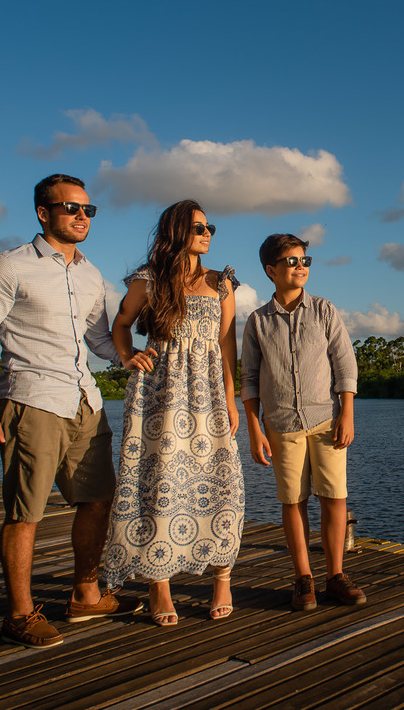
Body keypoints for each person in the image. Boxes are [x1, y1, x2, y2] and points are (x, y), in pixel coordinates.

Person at [0, 174, 141, 650]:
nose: (82, 217)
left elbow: (99, 339)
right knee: (26, 512)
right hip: (31, 400)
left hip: (85, 402)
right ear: (44, 213)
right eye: (71, 209)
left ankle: (85, 594)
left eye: (88, 210)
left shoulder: (90, 274)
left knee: (98, 499)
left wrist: (130, 355)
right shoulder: (10, 266)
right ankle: (19, 613)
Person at [100, 200, 243, 626]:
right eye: (199, 227)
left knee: (221, 481)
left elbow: (227, 346)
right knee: (158, 483)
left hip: (209, 395)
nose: (207, 234)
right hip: (158, 395)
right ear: (177, 231)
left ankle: (222, 578)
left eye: (210, 226)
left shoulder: (222, 283)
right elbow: (121, 324)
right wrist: (127, 357)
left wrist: (231, 397)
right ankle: (157, 583)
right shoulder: (148, 280)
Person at [241, 233, 365, 611]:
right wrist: (254, 428)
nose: (300, 267)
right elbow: (248, 378)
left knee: (335, 499)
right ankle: (303, 579)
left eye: (304, 261)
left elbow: (345, 365)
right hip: (281, 424)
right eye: (292, 261)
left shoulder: (324, 311)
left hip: (326, 421)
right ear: (271, 270)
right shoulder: (257, 321)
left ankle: (335, 577)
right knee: (293, 501)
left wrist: (347, 413)